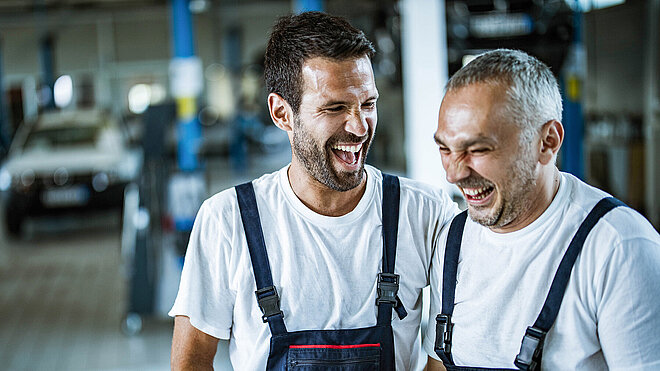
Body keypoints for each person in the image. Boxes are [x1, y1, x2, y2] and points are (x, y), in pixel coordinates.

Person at [170, 11, 458, 370]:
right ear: (282, 113)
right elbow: (191, 361)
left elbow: (451, 353)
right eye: (334, 107)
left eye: (368, 104)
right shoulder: (229, 221)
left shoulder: (425, 213)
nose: (358, 126)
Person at [424, 49, 660, 371]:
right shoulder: (453, 240)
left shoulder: (619, 247)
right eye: (445, 148)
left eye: (478, 149)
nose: (454, 174)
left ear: (547, 141)